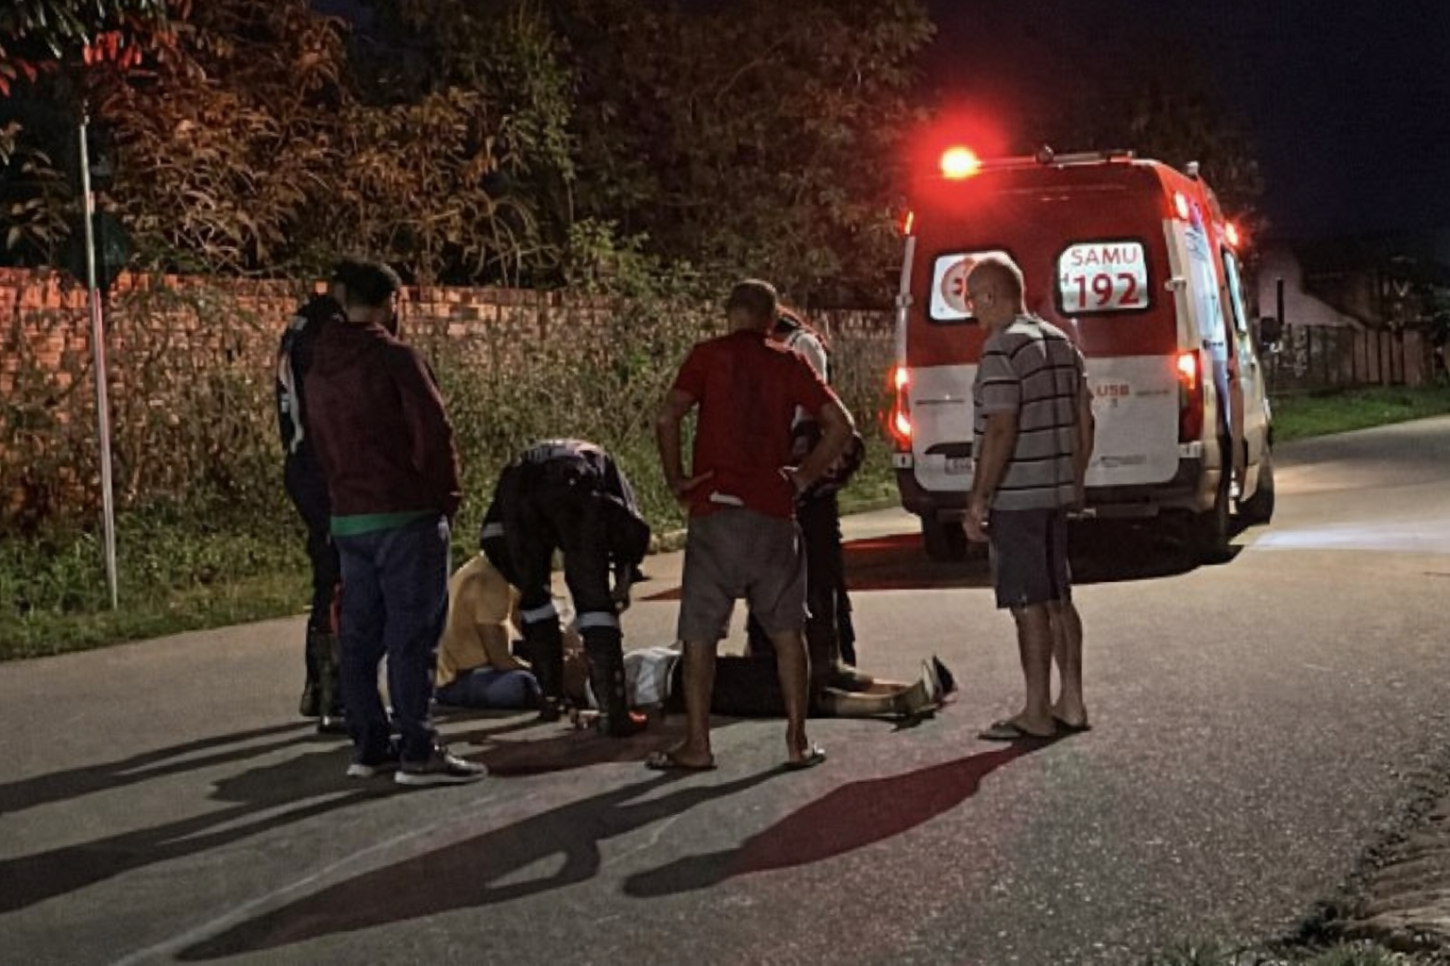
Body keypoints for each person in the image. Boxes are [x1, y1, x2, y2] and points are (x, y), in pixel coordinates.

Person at [655, 278, 856, 771]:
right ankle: (797, 740)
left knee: (700, 635)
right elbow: (841, 424)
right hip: (773, 510)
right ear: (772, 320)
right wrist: (804, 476)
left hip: (714, 509)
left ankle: (698, 744)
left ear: (730, 314)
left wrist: (678, 478)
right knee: (789, 633)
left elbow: (667, 416)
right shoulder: (788, 361)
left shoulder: (705, 356)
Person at [304, 259, 485, 786]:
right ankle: (419, 746)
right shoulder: (395, 357)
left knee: (360, 634)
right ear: (391, 301)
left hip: (349, 514)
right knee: (413, 633)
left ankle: (369, 744)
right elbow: (433, 430)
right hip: (405, 511)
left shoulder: (319, 363)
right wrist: (444, 497)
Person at [961, 255, 1095, 741]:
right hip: (1056, 491)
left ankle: (1036, 711)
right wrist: (1074, 479)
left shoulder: (1002, 349)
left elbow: (1000, 427)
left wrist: (979, 498)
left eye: (972, 298)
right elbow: (1085, 420)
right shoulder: (1062, 345)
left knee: (1027, 603)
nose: (971, 309)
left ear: (993, 295)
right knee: (1059, 595)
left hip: (1017, 497)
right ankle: (1072, 701)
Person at [480, 439, 652, 737]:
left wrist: (522, 578)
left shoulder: (520, 466)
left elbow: (493, 534)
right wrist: (623, 578)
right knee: (593, 600)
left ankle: (551, 701)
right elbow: (629, 524)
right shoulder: (601, 463)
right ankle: (613, 712)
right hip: (575, 483)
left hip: (518, 489)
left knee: (535, 601)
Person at [746, 308, 865, 671]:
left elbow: (810, 413)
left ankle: (824, 654)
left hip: (807, 480)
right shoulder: (784, 348)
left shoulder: (802, 347)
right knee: (802, 566)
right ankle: (794, 654)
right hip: (789, 476)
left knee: (816, 566)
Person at [275, 260, 361, 734]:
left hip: (301, 461)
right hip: (323, 466)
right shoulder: (327, 332)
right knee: (339, 575)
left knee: (328, 571)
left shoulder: (299, 324)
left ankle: (321, 686)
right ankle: (334, 692)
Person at [433, 553, 542, 712]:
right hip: (462, 678)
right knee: (526, 684)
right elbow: (500, 659)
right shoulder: (492, 579)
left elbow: (522, 619)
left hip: (467, 670)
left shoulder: (479, 567)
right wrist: (548, 673)